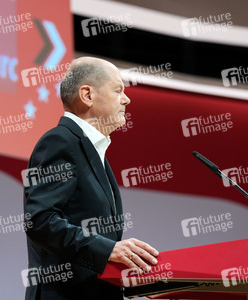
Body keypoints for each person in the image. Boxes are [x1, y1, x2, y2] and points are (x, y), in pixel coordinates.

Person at [23, 57, 159, 299]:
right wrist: (108, 250)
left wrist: (134, 274)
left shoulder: (93, 152)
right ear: (87, 95)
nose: (126, 99)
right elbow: (41, 221)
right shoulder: (60, 141)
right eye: (118, 90)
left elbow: (93, 250)